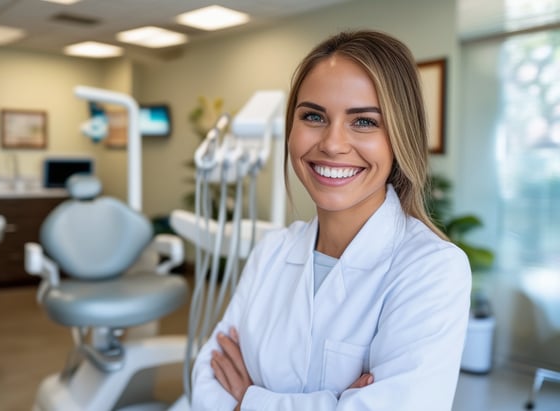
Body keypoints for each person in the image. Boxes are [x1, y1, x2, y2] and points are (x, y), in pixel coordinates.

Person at [190, 30, 471, 410]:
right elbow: (210, 374)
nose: (332, 143)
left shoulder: (432, 269)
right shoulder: (271, 251)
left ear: (400, 136)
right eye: (314, 116)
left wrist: (247, 402)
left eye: (364, 122)